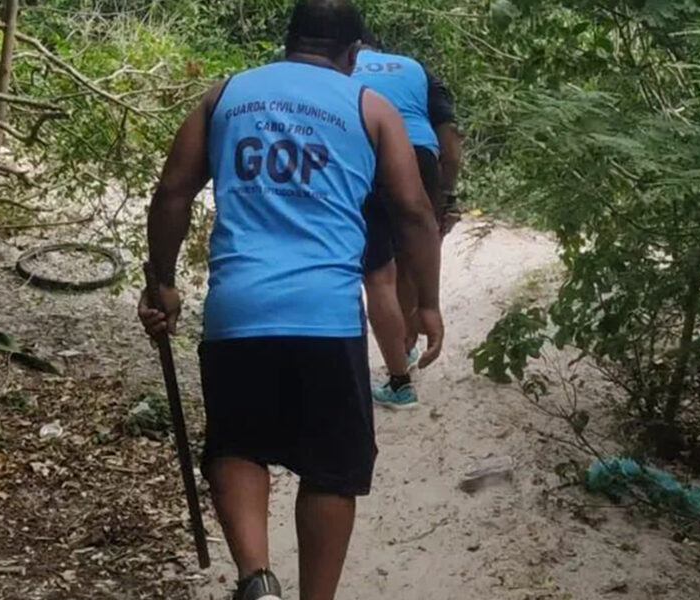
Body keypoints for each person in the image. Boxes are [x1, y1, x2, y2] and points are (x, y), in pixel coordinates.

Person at [136, 2, 443, 599]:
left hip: (237, 309)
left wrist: (162, 279)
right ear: (353, 55)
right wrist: (426, 302)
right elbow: (412, 211)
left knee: (237, 444)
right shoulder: (370, 107)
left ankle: (257, 580)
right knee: (332, 467)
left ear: (288, 41)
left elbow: (171, 191)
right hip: (325, 314)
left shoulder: (224, 94)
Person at [354, 32, 463, 410]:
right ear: (380, 48)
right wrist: (446, 197)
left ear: (354, 47)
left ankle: (399, 381)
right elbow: (450, 143)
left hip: (366, 154)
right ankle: (410, 344)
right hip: (421, 155)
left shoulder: (340, 65)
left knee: (379, 273)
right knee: (413, 257)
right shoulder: (418, 71)